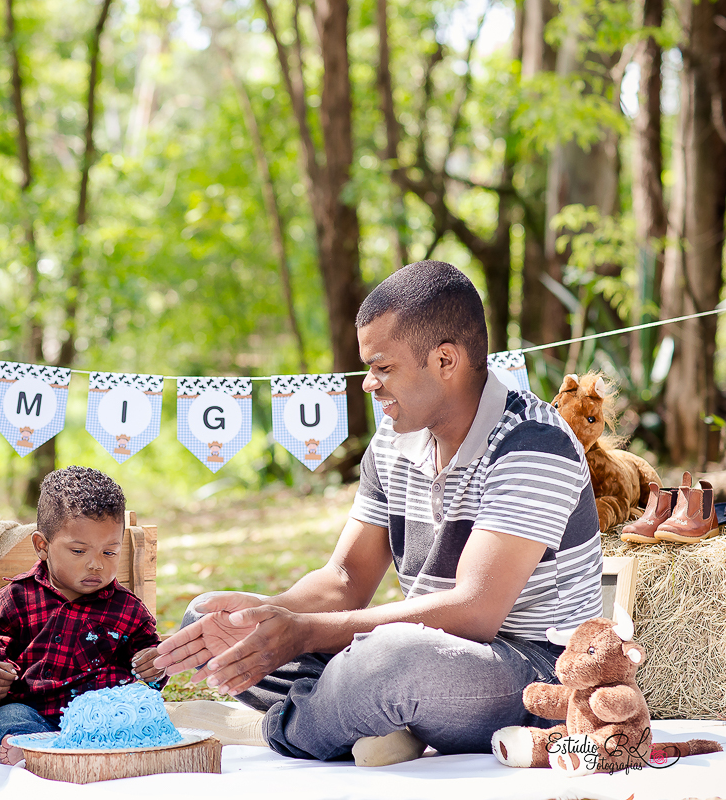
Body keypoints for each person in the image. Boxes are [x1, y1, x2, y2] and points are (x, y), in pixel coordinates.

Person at [155, 260, 603, 766]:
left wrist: (304, 632)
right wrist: (270, 617)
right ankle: (368, 717)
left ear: (446, 361)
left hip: (536, 672)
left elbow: (476, 612)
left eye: (383, 367)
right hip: (424, 652)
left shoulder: (533, 444)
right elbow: (344, 579)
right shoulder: (395, 439)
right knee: (214, 616)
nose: (369, 383)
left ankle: (280, 727)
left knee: (390, 663)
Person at [0, 466, 165, 766]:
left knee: (137, 714)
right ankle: (31, 748)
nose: (96, 565)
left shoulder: (128, 608)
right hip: (35, 708)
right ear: (42, 546)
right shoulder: (18, 597)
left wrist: (154, 665)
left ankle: (95, 747)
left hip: (101, 712)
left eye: (109, 553)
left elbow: (151, 659)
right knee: (7, 717)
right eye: (78, 551)